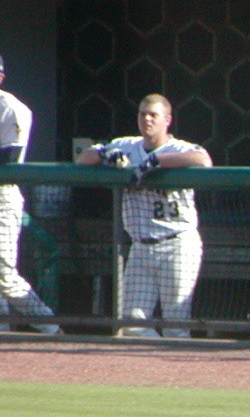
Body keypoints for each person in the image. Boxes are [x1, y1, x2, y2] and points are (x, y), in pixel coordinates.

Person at [76, 93, 211, 338]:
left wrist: (158, 160)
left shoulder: (178, 148)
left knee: (176, 326)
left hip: (177, 243)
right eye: (142, 114)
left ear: (166, 120)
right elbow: (82, 158)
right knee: (132, 325)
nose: (147, 119)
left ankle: (178, 374)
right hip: (141, 247)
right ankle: (155, 371)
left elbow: (203, 161)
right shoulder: (126, 145)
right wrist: (105, 155)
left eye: (153, 115)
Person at [0, 53, 60, 333]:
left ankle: (50, 327)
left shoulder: (13, 109)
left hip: (3, 198)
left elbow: (8, 161)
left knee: (4, 275)